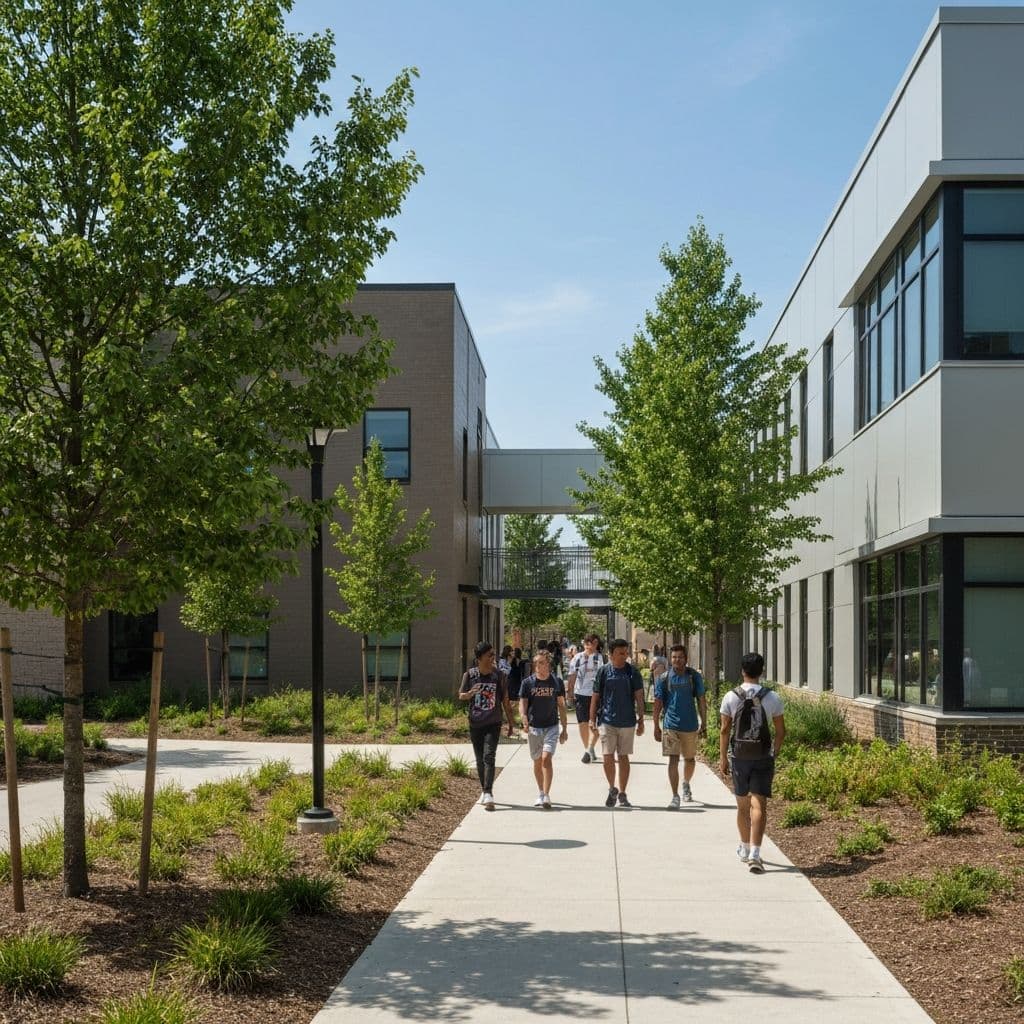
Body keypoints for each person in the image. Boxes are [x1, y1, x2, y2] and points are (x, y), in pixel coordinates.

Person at [719, 652, 786, 874]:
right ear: (762, 671)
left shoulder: (731, 696)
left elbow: (725, 729)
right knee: (760, 804)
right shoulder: (772, 697)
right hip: (762, 756)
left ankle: (744, 847)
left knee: (742, 806)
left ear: (742, 671)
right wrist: (773, 752)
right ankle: (756, 853)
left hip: (739, 756)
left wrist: (723, 757)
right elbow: (780, 731)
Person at [459, 640, 517, 811]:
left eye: (493, 654)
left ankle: (488, 792)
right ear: (479, 658)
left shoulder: (499, 675)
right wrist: (469, 694)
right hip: (475, 722)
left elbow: (505, 701)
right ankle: (484, 790)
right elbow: (460, 695)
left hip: (493, 721)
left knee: (489, 756)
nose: (493, 657)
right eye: (489, 655)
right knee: (479, 759)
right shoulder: (470, 675)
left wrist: (511, 723)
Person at [589, 638, 645, 808]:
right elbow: (596, 696)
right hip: (607, 720)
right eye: (621, 653)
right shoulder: (604, 671)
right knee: (607, 755)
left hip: (627, 721)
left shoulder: (632, 672)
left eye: (626, 652)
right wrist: (592, 719)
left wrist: (641, 719)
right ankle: (612, 787)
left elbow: (639, 697)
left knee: (623, 757)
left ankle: (622, 792)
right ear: (611, 654)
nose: (624, 656)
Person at [653, 645, 707, 807]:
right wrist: (656, 725)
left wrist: (704, 722)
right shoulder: (664, 678)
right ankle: (675, 796)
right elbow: (657, 704)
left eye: (680, 657)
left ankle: (686, 783)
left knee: (689, 759)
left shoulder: (694, 677)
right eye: (674, 657)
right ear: (670, 659)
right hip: (670, 725)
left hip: (690, 725)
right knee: (673, 759)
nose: (677, 660)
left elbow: (701, 700)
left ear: (686, 658)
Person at [519, 650, 568, 808]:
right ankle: (540, 792)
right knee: (537, 760)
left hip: (551, 727)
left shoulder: (556, 682)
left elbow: (561, 705)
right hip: (534, 728)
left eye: (541, 662)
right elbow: (523, 702)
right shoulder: (528, 683)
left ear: (548, 664)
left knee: (546, 759)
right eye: (536, 663)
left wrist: (564, 729)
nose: (537, 666)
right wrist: (524, 718)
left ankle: (546, 795)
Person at [567, 633, 603, 763]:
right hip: (581, 694)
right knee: (583, 724)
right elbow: (572, 676)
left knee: (597, 725)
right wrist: (570, 694)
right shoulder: (577, 658)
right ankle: (587, 749)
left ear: (597, 644)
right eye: (588, 643)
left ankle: (590, 749)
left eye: (593, 643)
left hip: (597, 695)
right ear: (584, 644)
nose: (590, 645)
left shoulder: (601, 658)